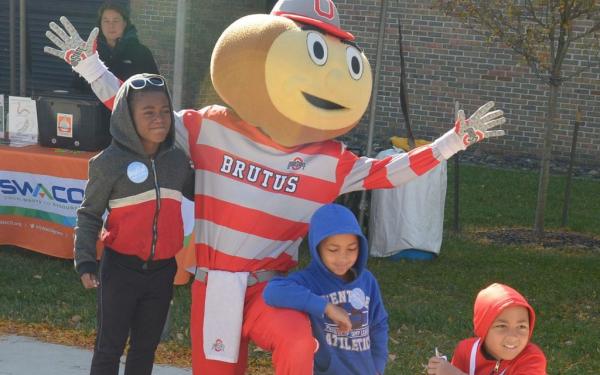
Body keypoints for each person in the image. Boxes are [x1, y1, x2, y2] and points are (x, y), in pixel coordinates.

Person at [44, 0, 506, 373]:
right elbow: (141, 113)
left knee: (298, 343)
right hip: (217, 284)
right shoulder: (210, 128)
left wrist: (452, 141)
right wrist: (89, 66)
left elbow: (392, 171)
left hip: (275, 287)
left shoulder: (331, 160)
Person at [74, 73, 194, 375]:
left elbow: (208, 195)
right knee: (109, 348)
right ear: (128, 116)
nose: (160, 119)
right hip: (120, 271)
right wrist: (86, 261)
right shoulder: (108, 163)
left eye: (165, 111)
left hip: (162, 272)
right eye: (149, 112)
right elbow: (89, 214)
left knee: (145, 349)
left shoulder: (178, 162)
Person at [263, 203, 389, 375]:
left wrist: (378, 367)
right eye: (333, 250)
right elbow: (273, 292)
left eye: (352, 249)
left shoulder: (367, 281)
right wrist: (327, 307)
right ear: (317, 248)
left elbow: (379, 325)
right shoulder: (309, 280)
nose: (342, 258)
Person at [426, 283, 547, 375]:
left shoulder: (532, 358)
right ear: (483, 328)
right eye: (502, 326)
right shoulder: (466, 350)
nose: (513, 336)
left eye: (521, 326)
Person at [72, 2, 159, 93]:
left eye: (116, 21)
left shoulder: (141, 53)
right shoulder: (89, 53)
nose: (111, 26)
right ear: (100, 24)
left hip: (129, 106)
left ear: (125, 23)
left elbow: (155, 88)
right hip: (95, 106)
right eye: (106, 21)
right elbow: (77, 87)